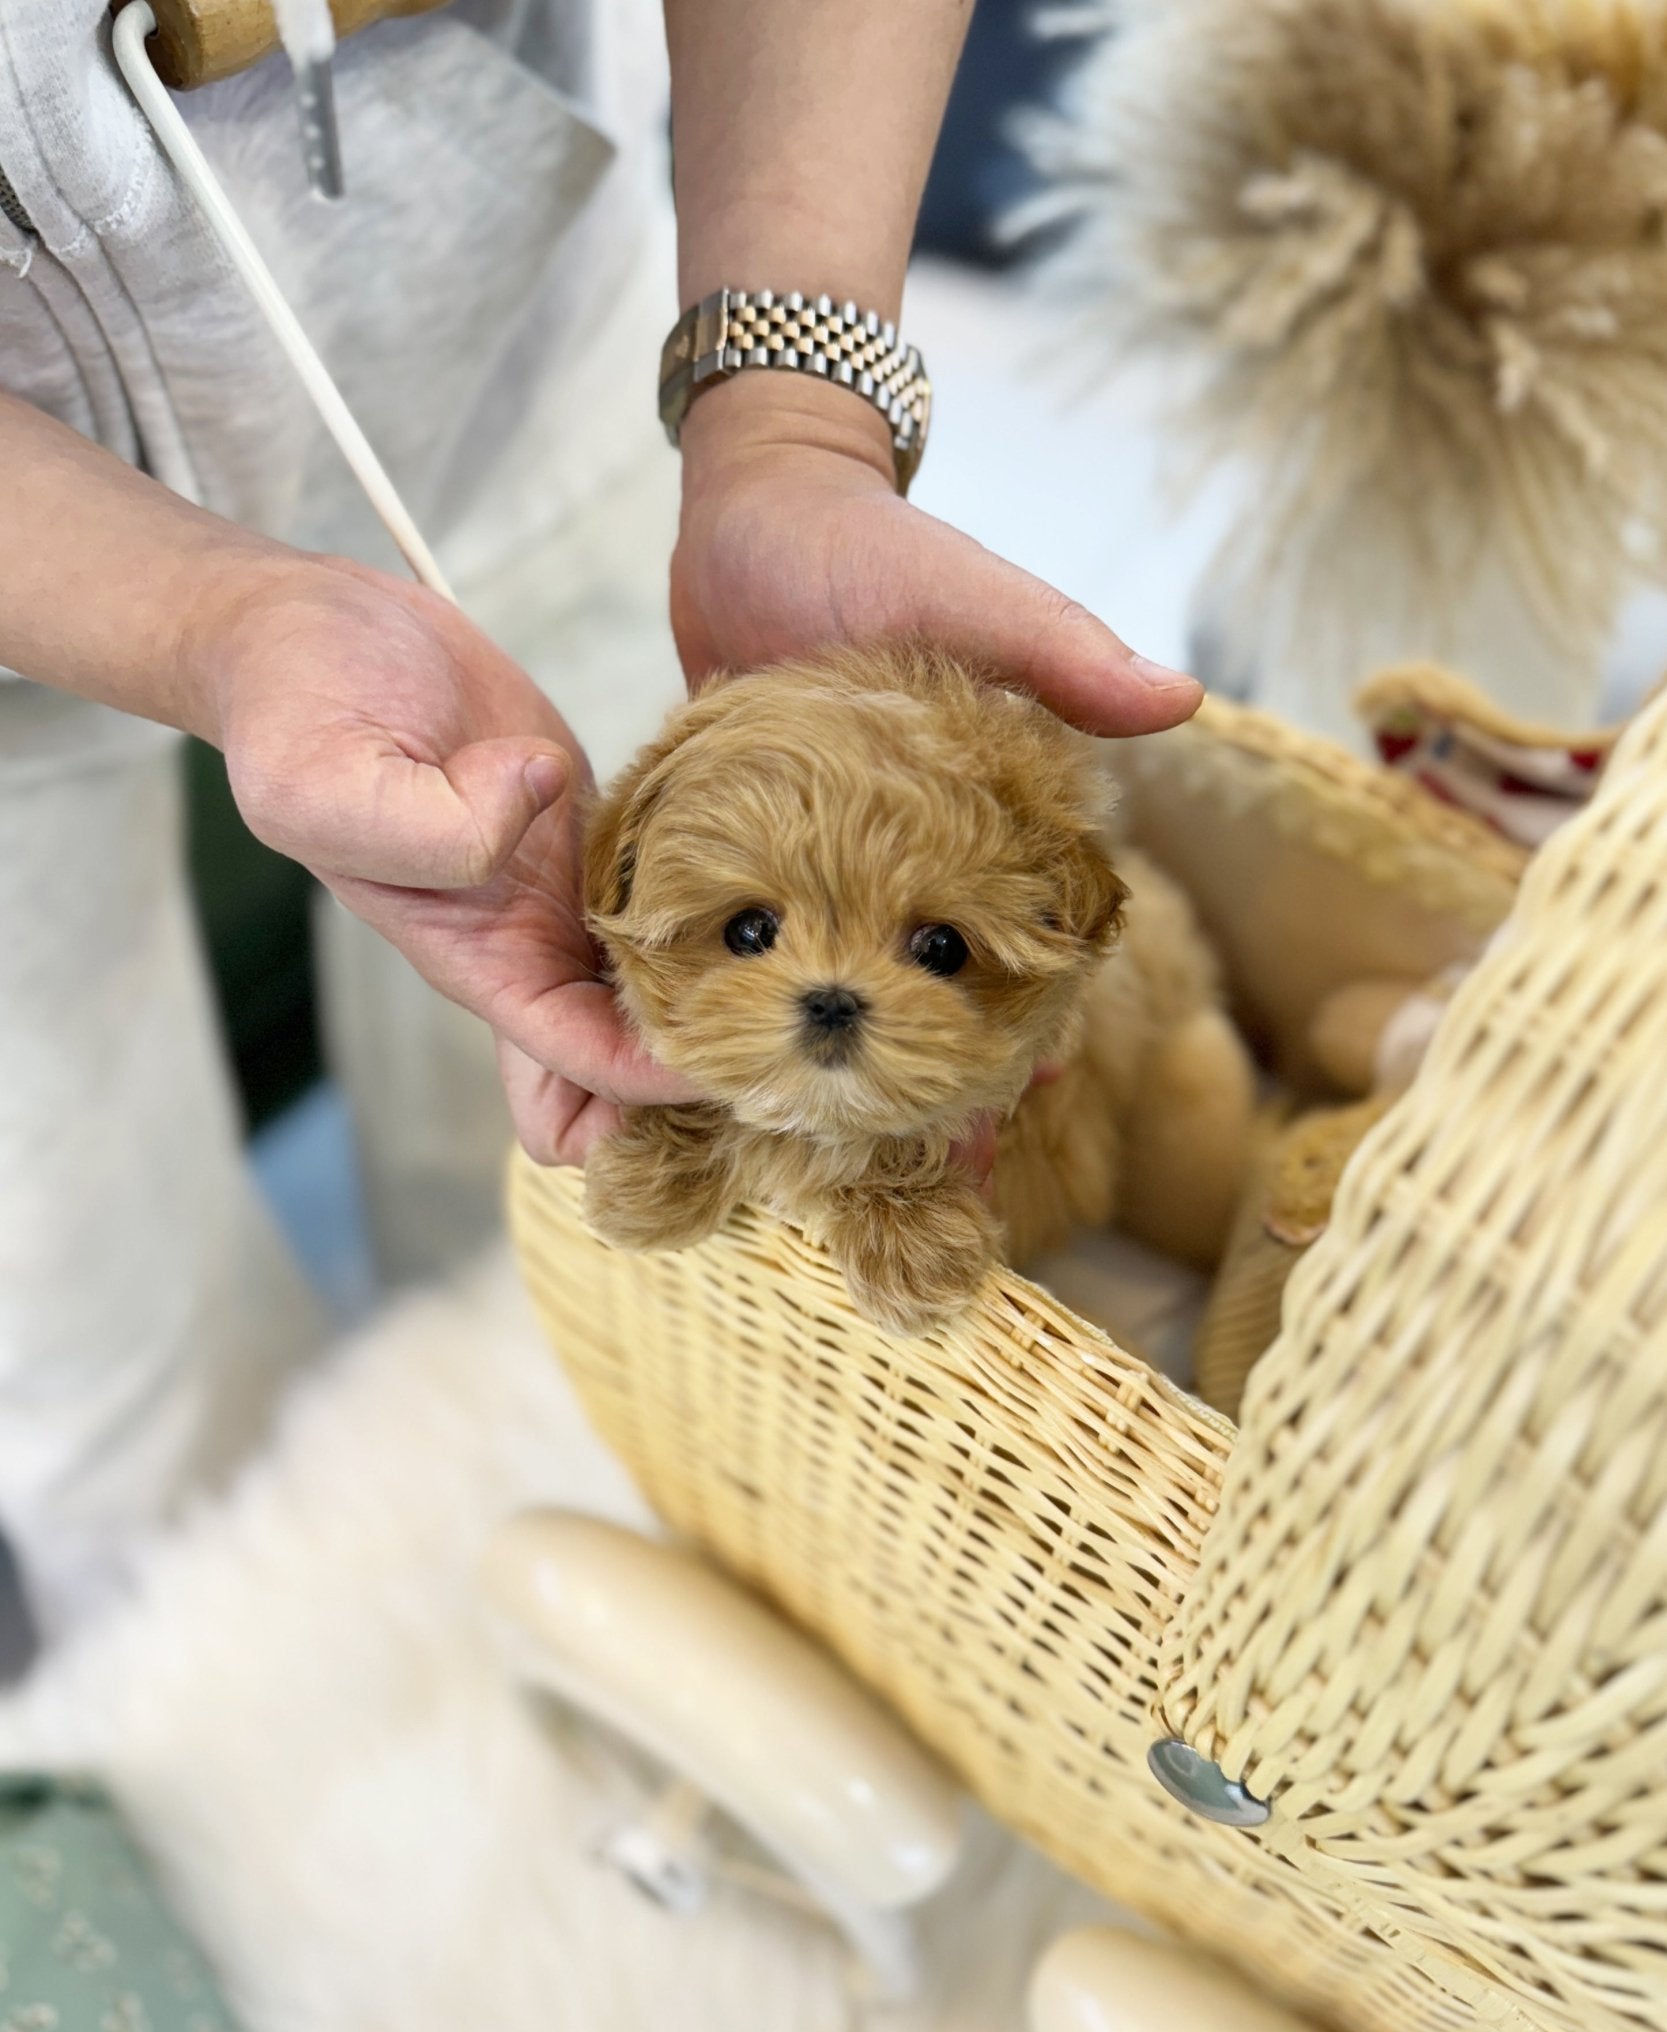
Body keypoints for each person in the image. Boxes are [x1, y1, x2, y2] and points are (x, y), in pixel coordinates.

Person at [0, 0, 1200, 1639]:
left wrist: (789, 426)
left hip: (504, 339)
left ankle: (550, 1507)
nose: (837, 985)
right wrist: (209, 622)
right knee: (80, 1313)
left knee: (532, 1162)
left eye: (924, 943)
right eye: (764, 930)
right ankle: (260, 1677)